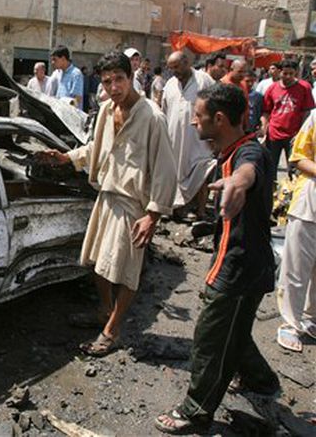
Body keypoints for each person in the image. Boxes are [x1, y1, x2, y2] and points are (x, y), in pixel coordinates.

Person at [154, 83, 279, 435]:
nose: (194, 123)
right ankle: (262, 382)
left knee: (210, 338)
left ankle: (196, 411)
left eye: (198, 117)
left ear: (220, 119)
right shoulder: (232, 151)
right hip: (246, 263)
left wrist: (237, 184)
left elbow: (247, 173)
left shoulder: (247, 155)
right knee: (233, 331)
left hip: (238, 268)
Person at [35, 51, 176, 357]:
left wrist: (153, 214)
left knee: (126, 271)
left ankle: (112, 331)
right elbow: (96, 148)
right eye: (107, 81)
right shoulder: (105, 111)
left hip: (133, 205)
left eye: (119, 79)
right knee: (98, 263)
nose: (114, 87)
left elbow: (166, 169)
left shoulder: (152, 117)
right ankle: (104, 310)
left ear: (131, 76)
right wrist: (67, 158)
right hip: (105, 195)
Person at [275, 109, 316, 352]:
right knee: (297, 266)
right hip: (309, 201)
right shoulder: (314, 117)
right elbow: (298, 157)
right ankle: (290, 322)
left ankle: (311, 318)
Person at [163, 51, 215, 220]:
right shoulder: (170, 84)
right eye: (171, 68)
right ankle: (177, 208)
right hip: (174, 138)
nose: (174, 72)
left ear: (186, 62)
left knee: (201, 172)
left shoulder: (204, 80)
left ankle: (200, 210)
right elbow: (164, 110)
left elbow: (215, 104)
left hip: (198, 138)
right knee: (174, 174)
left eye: (177, 67)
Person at [260, 58, 315, 184]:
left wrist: (301, 133)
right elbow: (266, 112)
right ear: (279, 72)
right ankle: (271, 196)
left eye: (291, 73)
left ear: (296, 73)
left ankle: (290, 196)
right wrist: (264, 130)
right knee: (270, 169)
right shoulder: (272, 88)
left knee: (294, 168)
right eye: (285, 73)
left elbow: (307, 113)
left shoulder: (304, 87)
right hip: (274, 134)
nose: (288, 76)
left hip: (294, 136)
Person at [51, 45, 84, 110]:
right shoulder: (59, 73)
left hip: (71, 115)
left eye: (55, 59)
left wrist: (66, 107)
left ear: (63, 59)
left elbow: (77, 100)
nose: (52, 62)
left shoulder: (76, 74)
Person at [220, 59, 250, 128]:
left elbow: (246, 106)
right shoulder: (223, 84)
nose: (242, 75)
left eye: (244, 72)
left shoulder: (243, 84)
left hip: (239, 127)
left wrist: (246, 124)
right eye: (240, 72)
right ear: (231, 69)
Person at [245, 70, 263, 134]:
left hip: (252, 129)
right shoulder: (237, 94)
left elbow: (260, 112)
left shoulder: (258, 96)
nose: (250, 84)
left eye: (252, 81)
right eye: (247, 81)